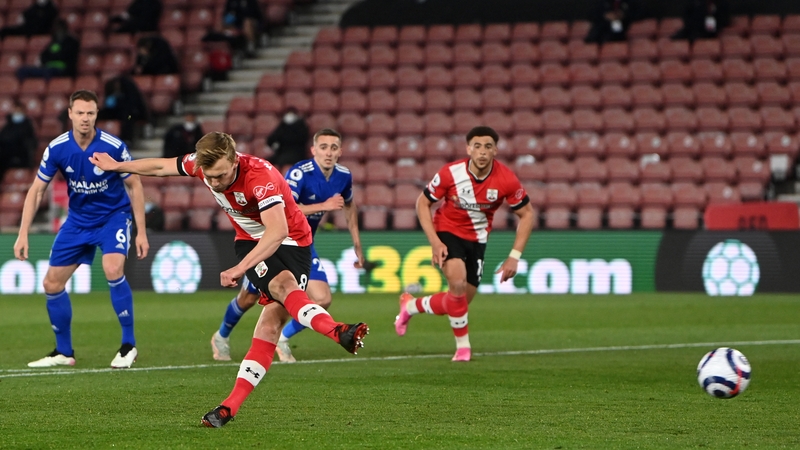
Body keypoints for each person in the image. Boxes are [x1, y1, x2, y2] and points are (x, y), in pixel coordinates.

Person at [89, 131, 369, 428]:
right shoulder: (203, 164)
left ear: (235, 162)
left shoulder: (260, 177)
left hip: (293, 240)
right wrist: (117, 166)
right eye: (209, 177)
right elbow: (161, 166)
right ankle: (336, 332)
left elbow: (277, 231)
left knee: (271, 324)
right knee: (282, 289)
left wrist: (239, 269)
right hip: (249, 239)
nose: (215, 183)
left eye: (221, 176)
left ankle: (233, 403)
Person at [13, 90, 150, 369]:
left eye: (90, 113)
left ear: (97, 114)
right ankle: (63, 351)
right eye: (80, 113)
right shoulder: (57, 148)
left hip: (113, 217)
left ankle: (128, 345)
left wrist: (142, 232)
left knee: (112, 268)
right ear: (70, 114)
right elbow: (37, 190)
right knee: (51, 284)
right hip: (77, 222)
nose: (85, 118)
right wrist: (23, 232)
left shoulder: (113, 146)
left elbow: (134, 185)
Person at [209, 128, 365, 363]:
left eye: (333, 148)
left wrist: (356, 242)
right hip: (272, 242)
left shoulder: (344, 176)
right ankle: (221, 336)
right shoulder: (299, 174)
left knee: (322, 299)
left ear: (340, 151)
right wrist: (324, 205)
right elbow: (284, 209)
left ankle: (282, 337)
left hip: (302, 244)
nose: (328, 153)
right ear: (313, 150)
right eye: (323, 147)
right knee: (248, 298)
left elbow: (349, 205)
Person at [394, 126, 535, 362]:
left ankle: (410, 306)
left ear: (496, 150)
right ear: (468, 149)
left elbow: (527, 214)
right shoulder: (450, 173)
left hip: (478, 240)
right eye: (477, 146)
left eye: (488, 146)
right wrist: (435, 242)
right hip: (447, 231)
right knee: (457, 284)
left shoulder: (506, 179)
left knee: (458, 301)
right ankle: (463, 348)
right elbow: (422, 203)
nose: (482, 152)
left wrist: (514, 256)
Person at [98, 74, 150, 143]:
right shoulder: (111, 89)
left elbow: (133, 106)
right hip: (117, 112)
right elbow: (109, 106)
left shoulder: (129, 91)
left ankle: (127, 139)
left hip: (132, 113)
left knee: (128, 118)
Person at [0, 102, 37, 181]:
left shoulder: (28, 126)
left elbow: (31, 142)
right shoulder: (7, 127)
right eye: (15, 111)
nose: (17, 113)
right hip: (6, 159)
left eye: (19, 111)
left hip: (22, 158)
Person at [266, 107, 309, 175]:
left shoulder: (301, 126)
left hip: (296, 154)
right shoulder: (282, 126)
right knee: (266, 162)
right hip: (282, 153)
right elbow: (271, 139)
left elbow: (298, 139)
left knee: (282, 161)